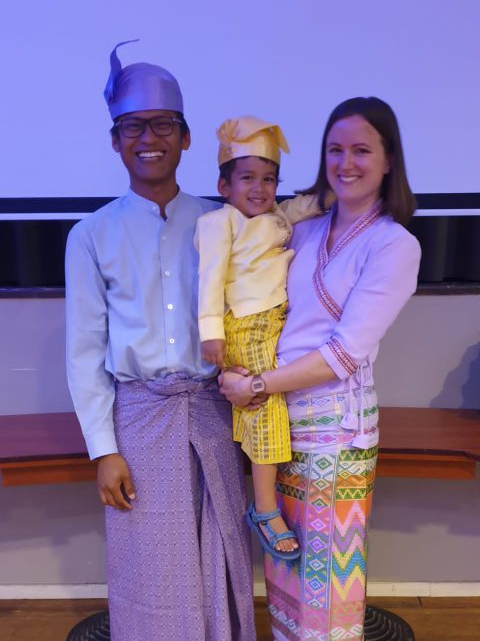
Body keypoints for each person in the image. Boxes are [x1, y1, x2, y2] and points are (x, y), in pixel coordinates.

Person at [65, 40, 256, 641]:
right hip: (139, 422)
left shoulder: (223, 222)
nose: (149, 138)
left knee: (221, 554)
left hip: (214, 413)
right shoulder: (90, 234)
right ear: (115, 141)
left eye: (163, 124)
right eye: (133, 126)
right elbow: (84, 352)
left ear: (186, 137)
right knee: (150, 570)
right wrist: (104, 450)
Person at [219, 97, 421, 640]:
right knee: (285, 589)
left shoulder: (394, 244)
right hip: (279, 424)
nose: (345, 163)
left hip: (336, 430)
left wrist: (255, 384)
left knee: (326, 598)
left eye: (361, 150)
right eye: (335, 149)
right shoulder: (302, 229)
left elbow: (343, 354)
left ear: (388, 160)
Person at [195, 116, 320, 560]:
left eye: (269, 179)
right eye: (247, 178)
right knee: (263, 408)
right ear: (224, 186)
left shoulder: (275, 218)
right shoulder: (220, 222)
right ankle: (264, 509)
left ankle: (268, 501)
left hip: (274, 324)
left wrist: (333, 190)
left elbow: (304, 207)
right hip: (245, 324)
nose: (259, 188)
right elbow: (210, 278)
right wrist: (210, 331)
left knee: (269, 409)